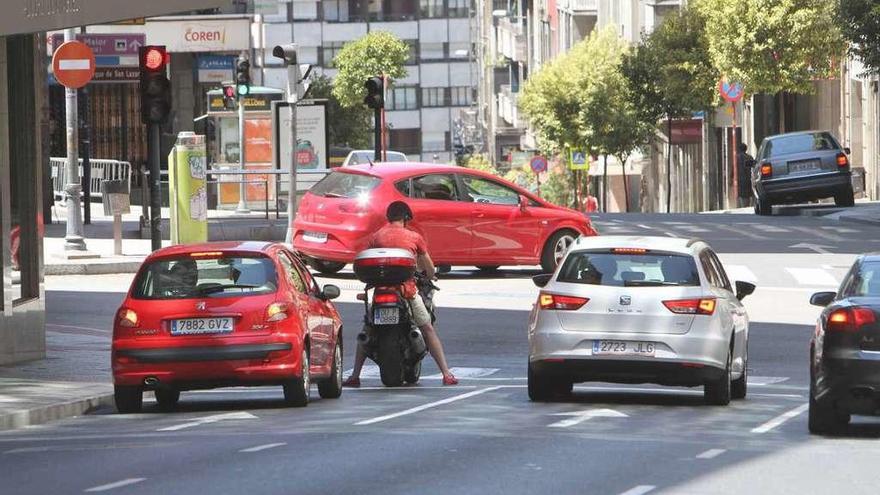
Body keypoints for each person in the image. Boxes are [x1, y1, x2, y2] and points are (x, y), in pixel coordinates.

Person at [343, 201, 458, 387]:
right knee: (427, 327)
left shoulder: (376, 237)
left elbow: (367, 257)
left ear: (388, 217)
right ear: (406, 218)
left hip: (380, 290)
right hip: (407, 290)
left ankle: (355, 375)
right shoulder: (414, 237)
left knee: (367, 330)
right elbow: (428, 267)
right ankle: (446, 373)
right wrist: (431, 275)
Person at [736, 143, 755, 208]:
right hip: (748, 178)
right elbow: (753, 167)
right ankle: (748, 205)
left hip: (740, 178)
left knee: (741, 194)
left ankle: (743, 206)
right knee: (748, 193)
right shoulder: (749, 157)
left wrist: (731, 177)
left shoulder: (737, 158)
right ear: (746, 149)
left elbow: (734, 169)